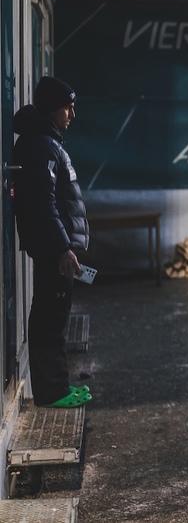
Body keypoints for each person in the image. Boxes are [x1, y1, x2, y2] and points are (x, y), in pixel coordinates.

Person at [12, 76, 92, 408]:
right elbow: (43, 203)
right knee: (50, 319)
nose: (72, 114)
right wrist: (62, 248)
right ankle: (53, 392)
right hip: (53, 248)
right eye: (67, 107)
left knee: (53, 315)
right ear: (52, 109)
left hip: (54, 245)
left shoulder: (46, 141)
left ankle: (56, 387)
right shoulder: (42, 145)